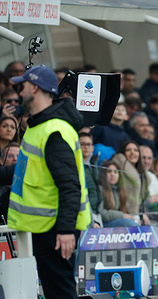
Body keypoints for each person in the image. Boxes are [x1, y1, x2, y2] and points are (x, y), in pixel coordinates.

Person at [7, 65, 91, 299]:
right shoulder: (41, 126)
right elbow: (26, 170)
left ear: (34, 88)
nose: (19, 90)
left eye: (22, 85)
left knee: (61, 293)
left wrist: (65, 231)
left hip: (54, 228)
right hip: (46, 226)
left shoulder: (53, 130)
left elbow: (70, 186)